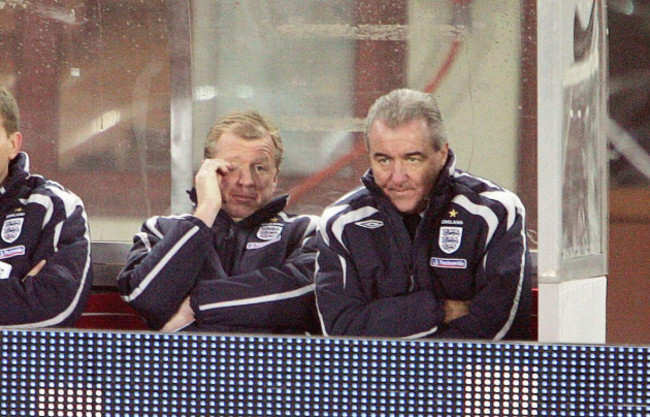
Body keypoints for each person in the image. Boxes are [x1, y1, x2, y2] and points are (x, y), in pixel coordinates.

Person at [315, 88, 531, 340]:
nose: (397, 177)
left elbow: (495, 331)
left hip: (466, 378)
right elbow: (341, 331)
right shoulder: (341, 222)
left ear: (441, 154)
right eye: (383, 160)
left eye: (412, 159)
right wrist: (438, 310)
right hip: (374, 379)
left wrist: (389, 330)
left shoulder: (494, 212)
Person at [118, 110, 320, 334]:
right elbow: (146, 298)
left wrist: (196, 306)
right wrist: (204, 212)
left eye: (260, 168)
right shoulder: (161, 230)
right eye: (232, 168)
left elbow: (306, 295)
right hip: (184, 367)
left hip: (272, 367)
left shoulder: (306, 231)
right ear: (208, 171)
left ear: (275, 177)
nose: (247, 181)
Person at [0, 86, 93, 327]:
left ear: (13, 144)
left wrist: (31, 298)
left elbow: (54, 307)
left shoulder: (54, 207)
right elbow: (27, 305)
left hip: (17, 363)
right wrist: (18, 290)